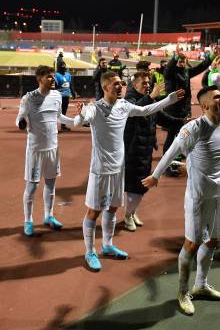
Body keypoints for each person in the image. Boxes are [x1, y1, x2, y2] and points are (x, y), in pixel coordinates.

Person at [74, 71, 185, 272]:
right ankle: (89, 251)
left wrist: (168, 100)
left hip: (118, 169)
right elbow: (84, 118)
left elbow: (145, 109)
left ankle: (107, 245)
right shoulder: (96, 108)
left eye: (121, 83)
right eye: (116, 84)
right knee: (94, 211)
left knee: (113, 208)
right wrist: (82, 113)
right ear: (105, 87)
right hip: (100, 171)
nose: (120, 86)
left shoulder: (124, 106)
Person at [142, 85, 220, 316]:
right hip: (198, 196)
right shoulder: (194, 127)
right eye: (217, 98)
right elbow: (172, 151)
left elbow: (214, 153)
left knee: (214, 239)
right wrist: (155, 176)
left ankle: (200, 284)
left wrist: (190, 164)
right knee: (191, 244)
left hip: (219, 193)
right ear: (204, 106)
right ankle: (183, 293)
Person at [16, 65, 76, 236]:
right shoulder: (29, 98)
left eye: (53, 76)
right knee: (32, 186)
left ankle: (48, 216)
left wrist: (77, 121)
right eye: (49, 77)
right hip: (35, 150)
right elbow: (19, 118)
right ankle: (28, 220)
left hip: (53, 148)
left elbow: (60, 117)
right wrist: (21, 123)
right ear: (39, 79)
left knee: (50, 184)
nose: (54, 79)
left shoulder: (57, 96)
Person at [123, 71, 185, 231]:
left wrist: (183, 123)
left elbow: (163, 119)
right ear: (134, 85)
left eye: (148, 82)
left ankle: (132, 212)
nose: (147, 85)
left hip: (146, 149)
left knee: (143, 186)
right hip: (132, 150)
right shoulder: (128, 100)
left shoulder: (150, 100)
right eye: (143, 83)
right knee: (133, 187)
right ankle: (127, 215)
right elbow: (139, 111)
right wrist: (151, 97)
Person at [163, 50, 212, 154]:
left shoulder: (186, 72)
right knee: (171, 135)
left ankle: (179, 154)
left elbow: (200, 67)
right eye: (180, 61)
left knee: (185, 133)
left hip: (184, 108)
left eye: (183, 61)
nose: (182, 64)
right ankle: (168, 160)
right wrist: (175, 57)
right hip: (173, 108)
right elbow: (169, 68)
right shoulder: (170, 72)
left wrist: (211, 57)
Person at [54, 63, 78, 132]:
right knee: (57, 112)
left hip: (66, 95)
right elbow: (55, 86)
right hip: (59, 96)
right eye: (62, 67)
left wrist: (73, 93)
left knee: (64, 111)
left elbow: (70, 85)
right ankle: (54, 127)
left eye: (64, 67)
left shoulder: (68, 75)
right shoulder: (56, 75)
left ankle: (63, 126)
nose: (64, 68)